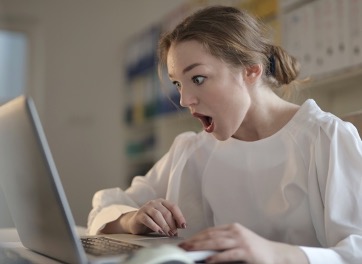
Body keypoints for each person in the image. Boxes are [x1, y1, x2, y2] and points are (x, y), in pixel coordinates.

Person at [88, 5, 362, 264]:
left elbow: (357, 249)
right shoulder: (191, 149)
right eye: (177, 84)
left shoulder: (326, 138)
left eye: (197, 79)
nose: (184, 100)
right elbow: (106, 208)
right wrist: (131, 219)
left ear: (251, 71)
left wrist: (275, 253)